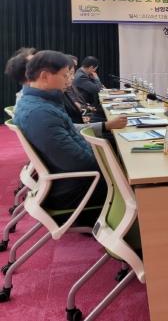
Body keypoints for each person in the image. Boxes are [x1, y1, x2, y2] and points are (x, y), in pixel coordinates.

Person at [13, 50, 109, 212]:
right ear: (45, 76)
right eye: (65, 75)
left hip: (71, 183)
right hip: (74, 193)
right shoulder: (41, 113)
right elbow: (77, 161)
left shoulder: (40, 102)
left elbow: (71, 137)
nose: (69, 79)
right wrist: (112, 162)